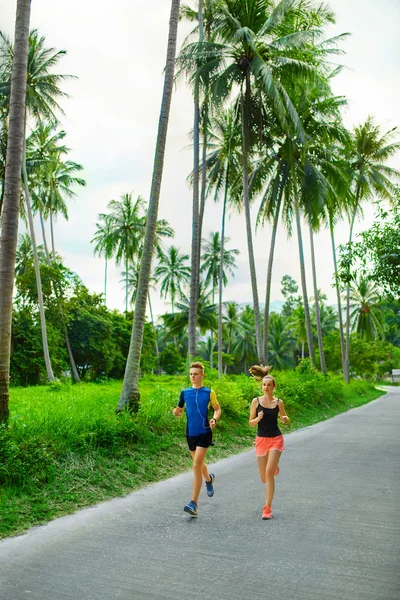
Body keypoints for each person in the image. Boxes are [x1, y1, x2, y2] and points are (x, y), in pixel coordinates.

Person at [173, 361, 221, 517]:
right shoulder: (184, 393)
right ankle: (209, 479)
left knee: (196, 465)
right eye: (191, 374)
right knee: (199, 464)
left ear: (202, 375)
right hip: (190, 433)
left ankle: (193, 503)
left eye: (196, 374)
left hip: (204, 432)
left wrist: (214, 419)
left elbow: (217, 408)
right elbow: (180, 410)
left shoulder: (209, 392)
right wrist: (176, 412)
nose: (193, 376)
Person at [249, 365, 289, 520]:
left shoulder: (279, 403)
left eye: (269, 385)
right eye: (264, 385)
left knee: (269, 473)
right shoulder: (255, 402)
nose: (266, 387)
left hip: (276, 439)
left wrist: (285, 419)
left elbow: (285, 419)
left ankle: (267, 508)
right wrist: (258, 419)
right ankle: (273, 467)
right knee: (264, 478)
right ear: (262, 386)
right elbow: (250, 423)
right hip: (261, 440)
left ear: (273, 387)